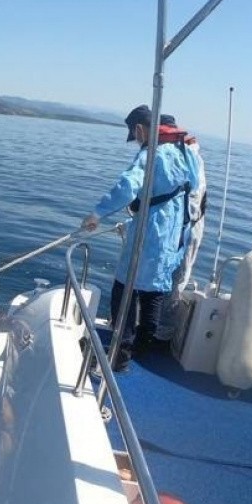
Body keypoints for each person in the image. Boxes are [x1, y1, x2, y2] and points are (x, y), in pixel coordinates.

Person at [82, 105, 200, 370]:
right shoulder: (184, 151)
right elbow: (194, 186)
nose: (136, 140)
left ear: (139, 129)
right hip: (173, 233)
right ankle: (143, 348)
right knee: (153, 292)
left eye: (135, 135)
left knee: (123, 290)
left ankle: (119, 357)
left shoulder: (150, 154)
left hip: (150, 232)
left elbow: (128, 186)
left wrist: (97, 213)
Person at [155, 114, 208, 343]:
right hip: (175, 229)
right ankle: (152, 326)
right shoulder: (180, 154)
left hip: (185, 231)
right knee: (161, 277)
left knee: (175, 280)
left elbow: (190, 204)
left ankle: (162, 334)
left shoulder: (189, 158)